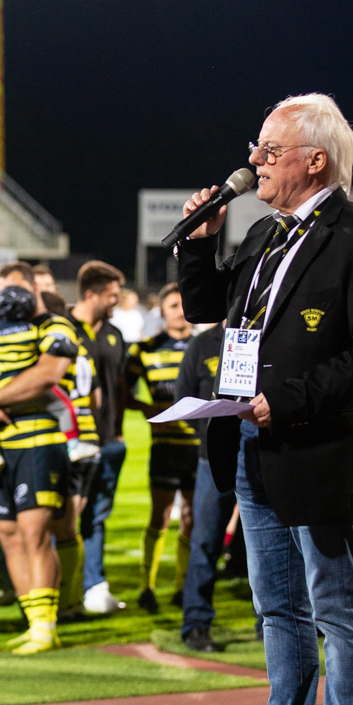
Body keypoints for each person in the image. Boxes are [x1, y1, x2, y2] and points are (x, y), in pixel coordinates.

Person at [181, 93, 353, 705]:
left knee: (335, 605)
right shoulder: (264, 236)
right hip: (249, 438)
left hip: (314, 443)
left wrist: (296, 397)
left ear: (315, 160)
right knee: (276, 606)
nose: (254, 161)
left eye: (267, 151)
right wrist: (199, 238)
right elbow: (205, 308)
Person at [0, 275, 78, 653]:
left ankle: (48, 626)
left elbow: (47, 376)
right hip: (1, 446)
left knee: (34, 532)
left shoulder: (55, 326)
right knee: (8, 534)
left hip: (39, 441)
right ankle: (33, 622)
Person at [0, 286, 95, 482]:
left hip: (1, 388)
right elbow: (49, 347)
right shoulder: (32, 331)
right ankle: (74, 445)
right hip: (29, 392)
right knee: (64, 407)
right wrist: (69, 347)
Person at [125, 282, 197, 614]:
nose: (179, 311)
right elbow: (122, 391)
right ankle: (147, 587)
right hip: (165, 446)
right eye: (172, 305)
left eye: (184, 304)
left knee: (191, 518)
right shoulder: (145, 349)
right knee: (161, 515)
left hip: (198, 446)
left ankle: (183, 586)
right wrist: (146, 409)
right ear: (162, 311)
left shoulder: (204, 346)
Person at [70, 261, 128, 613]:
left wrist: (118, 431)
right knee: (66, 516)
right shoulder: (62, 329)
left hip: (107, 439)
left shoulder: (114, 334)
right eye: (111, 296)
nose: (115, 302)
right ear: (91, 294)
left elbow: (120, 386)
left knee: (98, 514)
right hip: (72, 441)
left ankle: (94, 585)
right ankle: (66, 587)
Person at [175, 322, 236, 651]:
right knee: (205, 541)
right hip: (212, 458)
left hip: (261, 454)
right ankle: (196, 624)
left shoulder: (266, 333)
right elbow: (182, 396)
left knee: (273, 543)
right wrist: (210, 432)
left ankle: (276, 623)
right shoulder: (202, 343)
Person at [41, 291, 101, 619]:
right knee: (70, 525)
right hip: (89, 437)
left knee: (61, 527)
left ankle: (68, 600)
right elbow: (97, 399)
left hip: (69, 440)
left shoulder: (52, 348)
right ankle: (73, 597)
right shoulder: (82, 349)